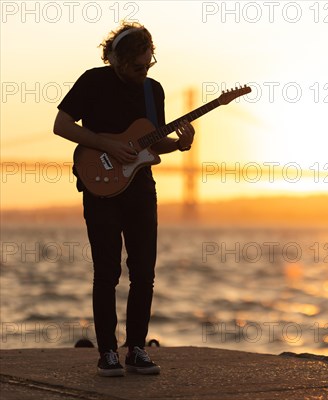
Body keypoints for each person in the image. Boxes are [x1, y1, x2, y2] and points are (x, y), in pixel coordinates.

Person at [53, 22, 195, 377]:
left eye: (148, 65)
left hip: (141, 188)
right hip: (100, 184)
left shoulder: (153, 90)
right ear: (115, 59)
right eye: (136, 67)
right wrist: (106, 144)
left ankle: (136, 350)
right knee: (107, 272)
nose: (143, 72)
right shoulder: (93, 81)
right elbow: (62, 125)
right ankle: (107, 353)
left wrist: (180, 144)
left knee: (144, 273)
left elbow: (151, 140)